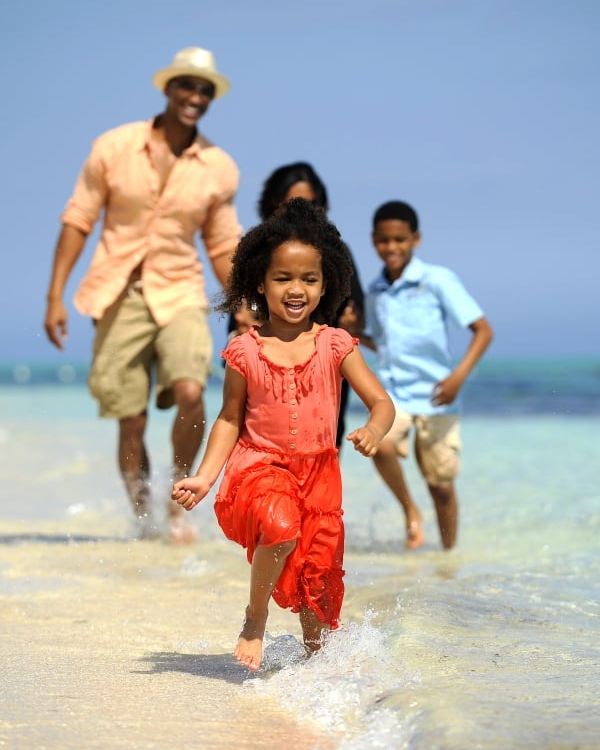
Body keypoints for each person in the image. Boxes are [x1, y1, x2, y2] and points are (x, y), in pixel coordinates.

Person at [172, 198, 394, 671]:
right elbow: (230, 419)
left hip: (320, 474)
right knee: (278, 523)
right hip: (261, 465)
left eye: (309, 280)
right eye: (284, 278)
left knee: (318, 590)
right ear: (260, 282)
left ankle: (316, 683)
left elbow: (381, 402)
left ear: (325, 284)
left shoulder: (336, 343)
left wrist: (374, 429)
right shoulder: (244, 350)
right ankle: (255, 620)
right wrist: (205, 477)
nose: (297, 290)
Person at [44, 47, 243, 542]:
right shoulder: (114, 146)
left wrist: (243, 306)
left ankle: (178, 497)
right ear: (168, 88)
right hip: (118, 293)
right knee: (130, 421)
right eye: (187, 86)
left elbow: (221, 245)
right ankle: (143, 521)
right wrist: (55, 296)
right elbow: (78, 219)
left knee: (192, 393)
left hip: (181, 291)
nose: (195, 97)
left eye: (205, 91)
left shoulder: (218, 167)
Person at [362, 201, 493, 550]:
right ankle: (410, 511)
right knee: (379, 444)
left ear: (416, 239)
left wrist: (457, 378)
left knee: (441, 487)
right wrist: (356, 334)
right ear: (374, 240)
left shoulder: (437, 280)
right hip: (393, 395)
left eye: (400, 239)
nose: (392, 248)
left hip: (437, 396)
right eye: (384, 240)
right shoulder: (375, 292)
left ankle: (448, 560)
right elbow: (385, 344)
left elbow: (482, 330)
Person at [228, 162, 365, 448]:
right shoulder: (261, 252)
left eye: (311, 204)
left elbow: (355, 309)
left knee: (327, 439)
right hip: (263, 363)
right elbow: (228, 419)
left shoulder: (328, 254)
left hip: (323, 364)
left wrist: (344, 333)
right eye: (290, 202)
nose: (296, 288)